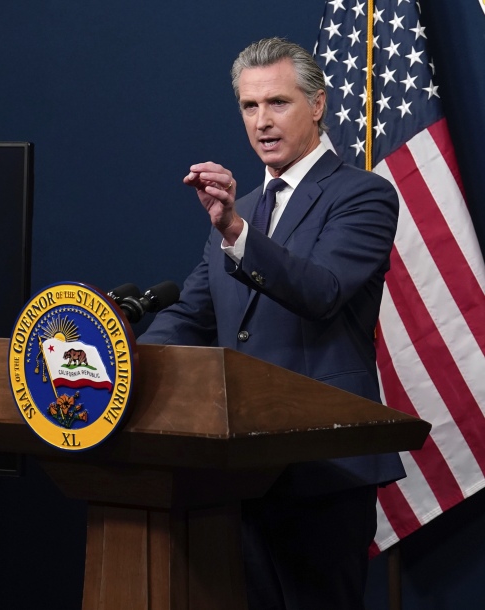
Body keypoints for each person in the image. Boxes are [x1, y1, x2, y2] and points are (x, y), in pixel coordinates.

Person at [137, 37, 403, 609]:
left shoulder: (363, 195)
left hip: (322, 466)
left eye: (277, 103)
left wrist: (235, 232)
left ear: (318, 105)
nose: (262, 122)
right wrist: (125, 363)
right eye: (249, 107)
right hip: (238, 466)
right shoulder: (244, 210)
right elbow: (191, 315)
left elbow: (321, 291)